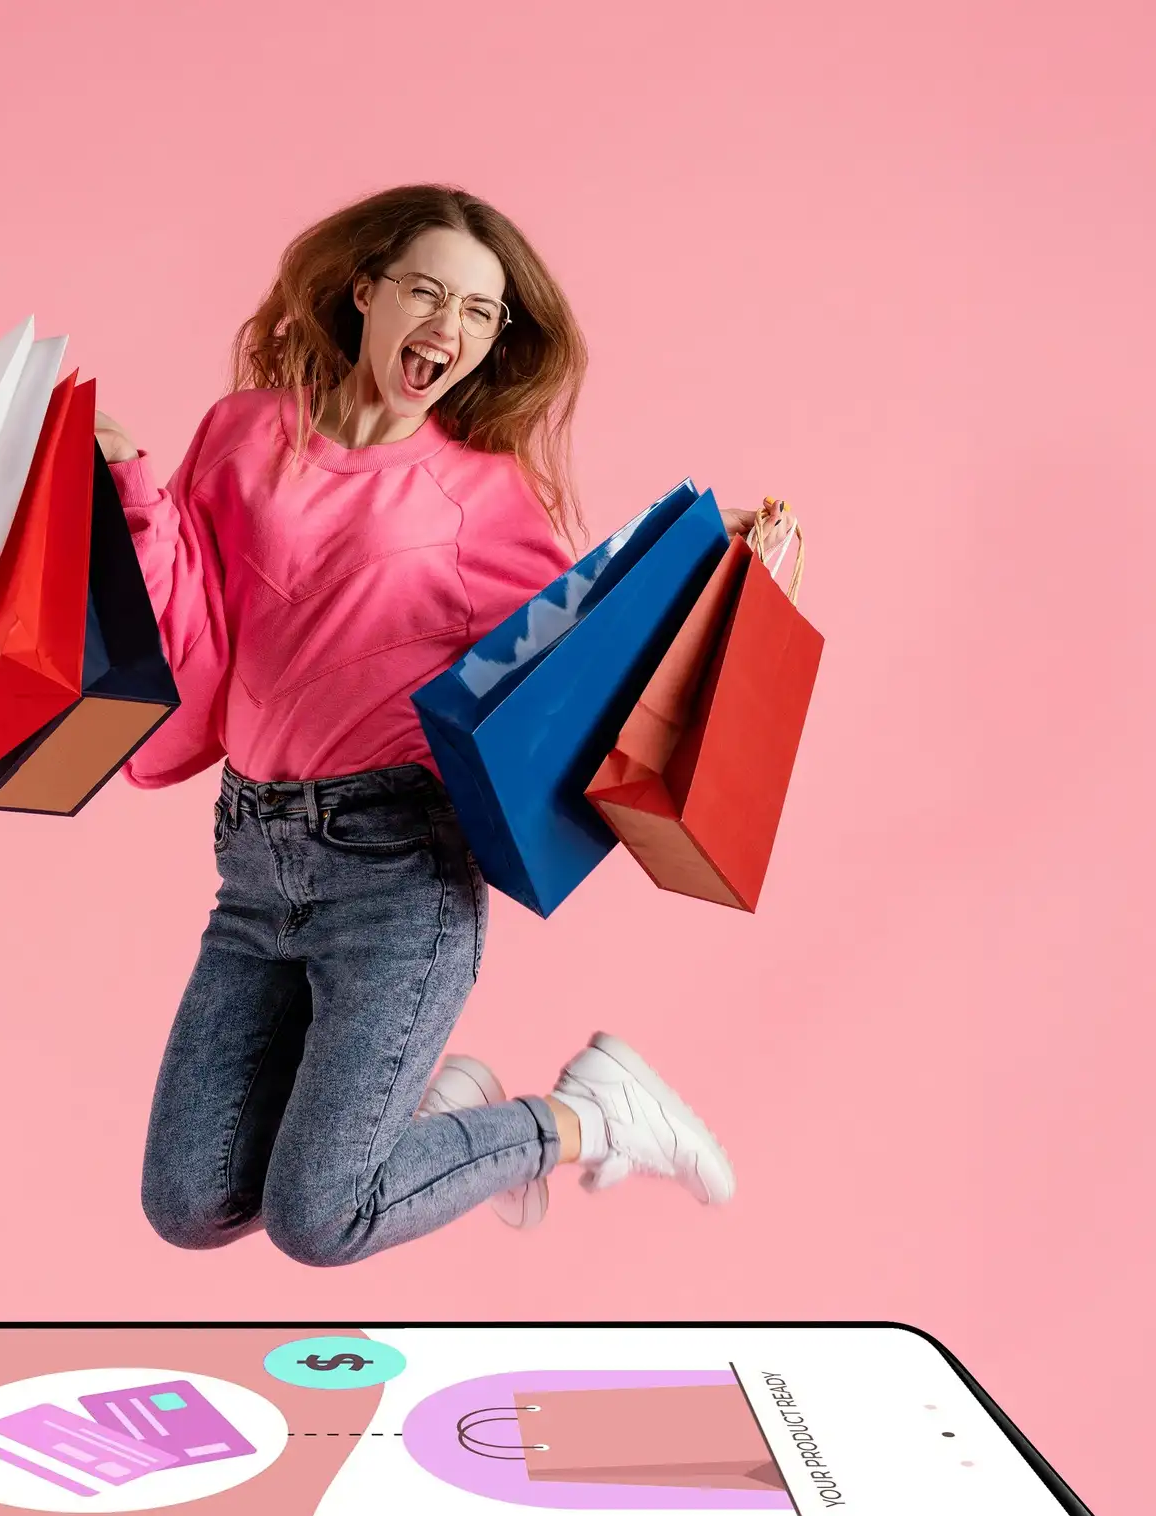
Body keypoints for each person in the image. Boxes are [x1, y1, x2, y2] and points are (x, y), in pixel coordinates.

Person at [97, 183, 757, 1266]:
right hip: (253, 859)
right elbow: (197, 645)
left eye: (479, 313)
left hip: (393, 872)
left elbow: (582, 648)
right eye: (425, 292)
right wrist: (130, 489)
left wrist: (696, 562)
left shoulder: (479, 499)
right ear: (365, 293)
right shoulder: (243, 432)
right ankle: (434, 1108)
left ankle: (590, 1114)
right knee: (190, 1201)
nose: (448, 329)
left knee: (322, 1218)